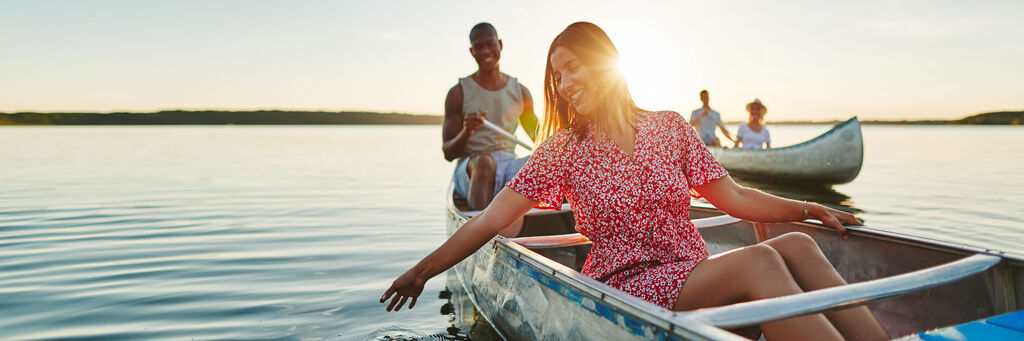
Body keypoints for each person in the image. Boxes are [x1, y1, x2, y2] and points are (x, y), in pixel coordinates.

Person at [384, 22, 888, 341]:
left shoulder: (669, 126)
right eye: (557, 76)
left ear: (606, 66)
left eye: (573, 69)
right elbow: (490, 220)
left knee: (797, 244)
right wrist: (423, 270)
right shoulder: (563, 150)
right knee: (761, 260)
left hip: (688, 271)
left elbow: (733, 198)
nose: (563, 85)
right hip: (624, 285)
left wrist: (807, 207)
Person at [443, 22, 538, 210]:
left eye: (490, 44)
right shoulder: (458, 93)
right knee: (485, 162)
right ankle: (478, 231)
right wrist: (466, 132)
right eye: (479, 47)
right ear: (472, 52)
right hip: (473, 169)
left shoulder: (520, 92)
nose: (485, 51)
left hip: (508, 166)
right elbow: (448, 153)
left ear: (499, 45)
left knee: (548, 164)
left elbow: (539, 139)